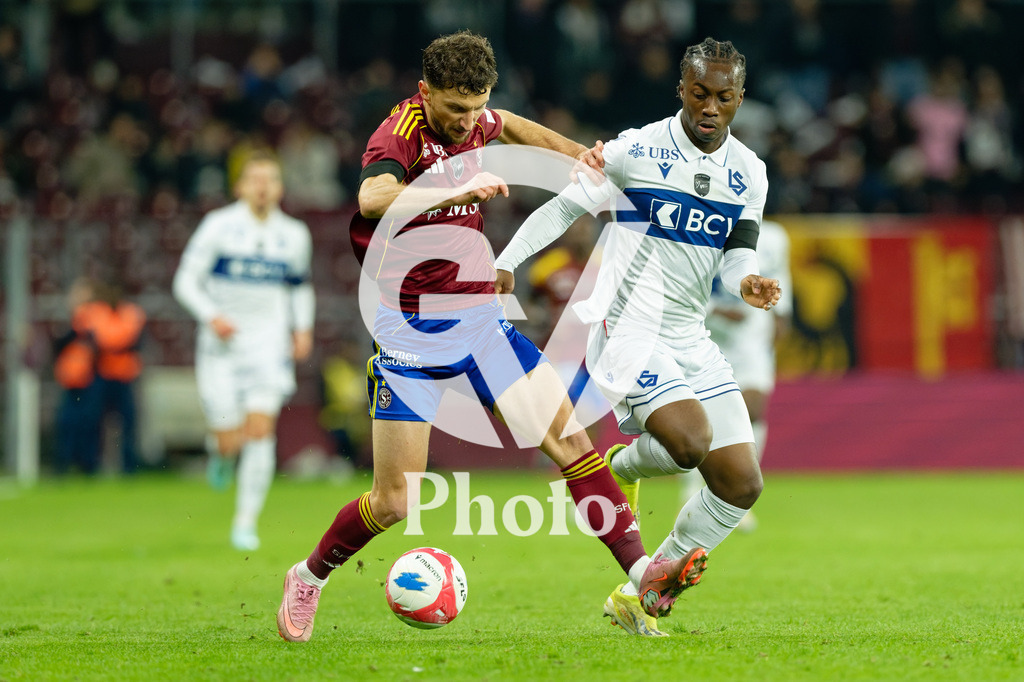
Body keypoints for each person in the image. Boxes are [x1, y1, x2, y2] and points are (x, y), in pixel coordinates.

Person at [276, 30, 705, 644]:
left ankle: (642, 578)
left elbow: (515, 127)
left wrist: (579, 155)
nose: (468, 121)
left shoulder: (477, 119)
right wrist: (453, 186)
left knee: (569, 439)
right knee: (395, 502)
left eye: (477, 107)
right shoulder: (397, 134)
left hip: (478, 317)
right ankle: (309, 576)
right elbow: (372, 198)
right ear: (424, 94)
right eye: (455, 108)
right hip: (408, 331)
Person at [495, 37, 781, 637]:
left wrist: (747, 281)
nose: (710, 107)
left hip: (690, 336)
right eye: (699, 93)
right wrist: (508, 260)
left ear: (740, 99)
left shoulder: (749, 173)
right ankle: (615, 467)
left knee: (741, 484)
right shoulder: (637, 151)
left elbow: (734, 255)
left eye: (723, 98)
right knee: (690, 442)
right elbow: (564, 207)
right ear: (681, 89)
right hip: (628, 330)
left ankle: (643, 588)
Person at [173, 150, 315, 552]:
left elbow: (299, 287)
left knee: (259, 432)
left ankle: (244, 523)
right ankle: (219, 454)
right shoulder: (218, 226)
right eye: (255, 178)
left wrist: (301, 328)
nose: (262, 186)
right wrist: (210, 315)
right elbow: (185, 281)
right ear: (240, 186)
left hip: (269, 347)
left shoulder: (294, 234)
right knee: (229, 437)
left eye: (270, 178)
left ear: (280, 187)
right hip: (222, 348)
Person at [681, 219, 792, 531]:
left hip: (752, 337)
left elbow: (782, 275)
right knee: (706, 418)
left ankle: (737, 495)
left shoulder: (774, 235)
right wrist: (715, 308)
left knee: (752, 410)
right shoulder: (704, 224)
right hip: (707, 335)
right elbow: (685, 281)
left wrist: (782, 316)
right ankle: (694, 490)